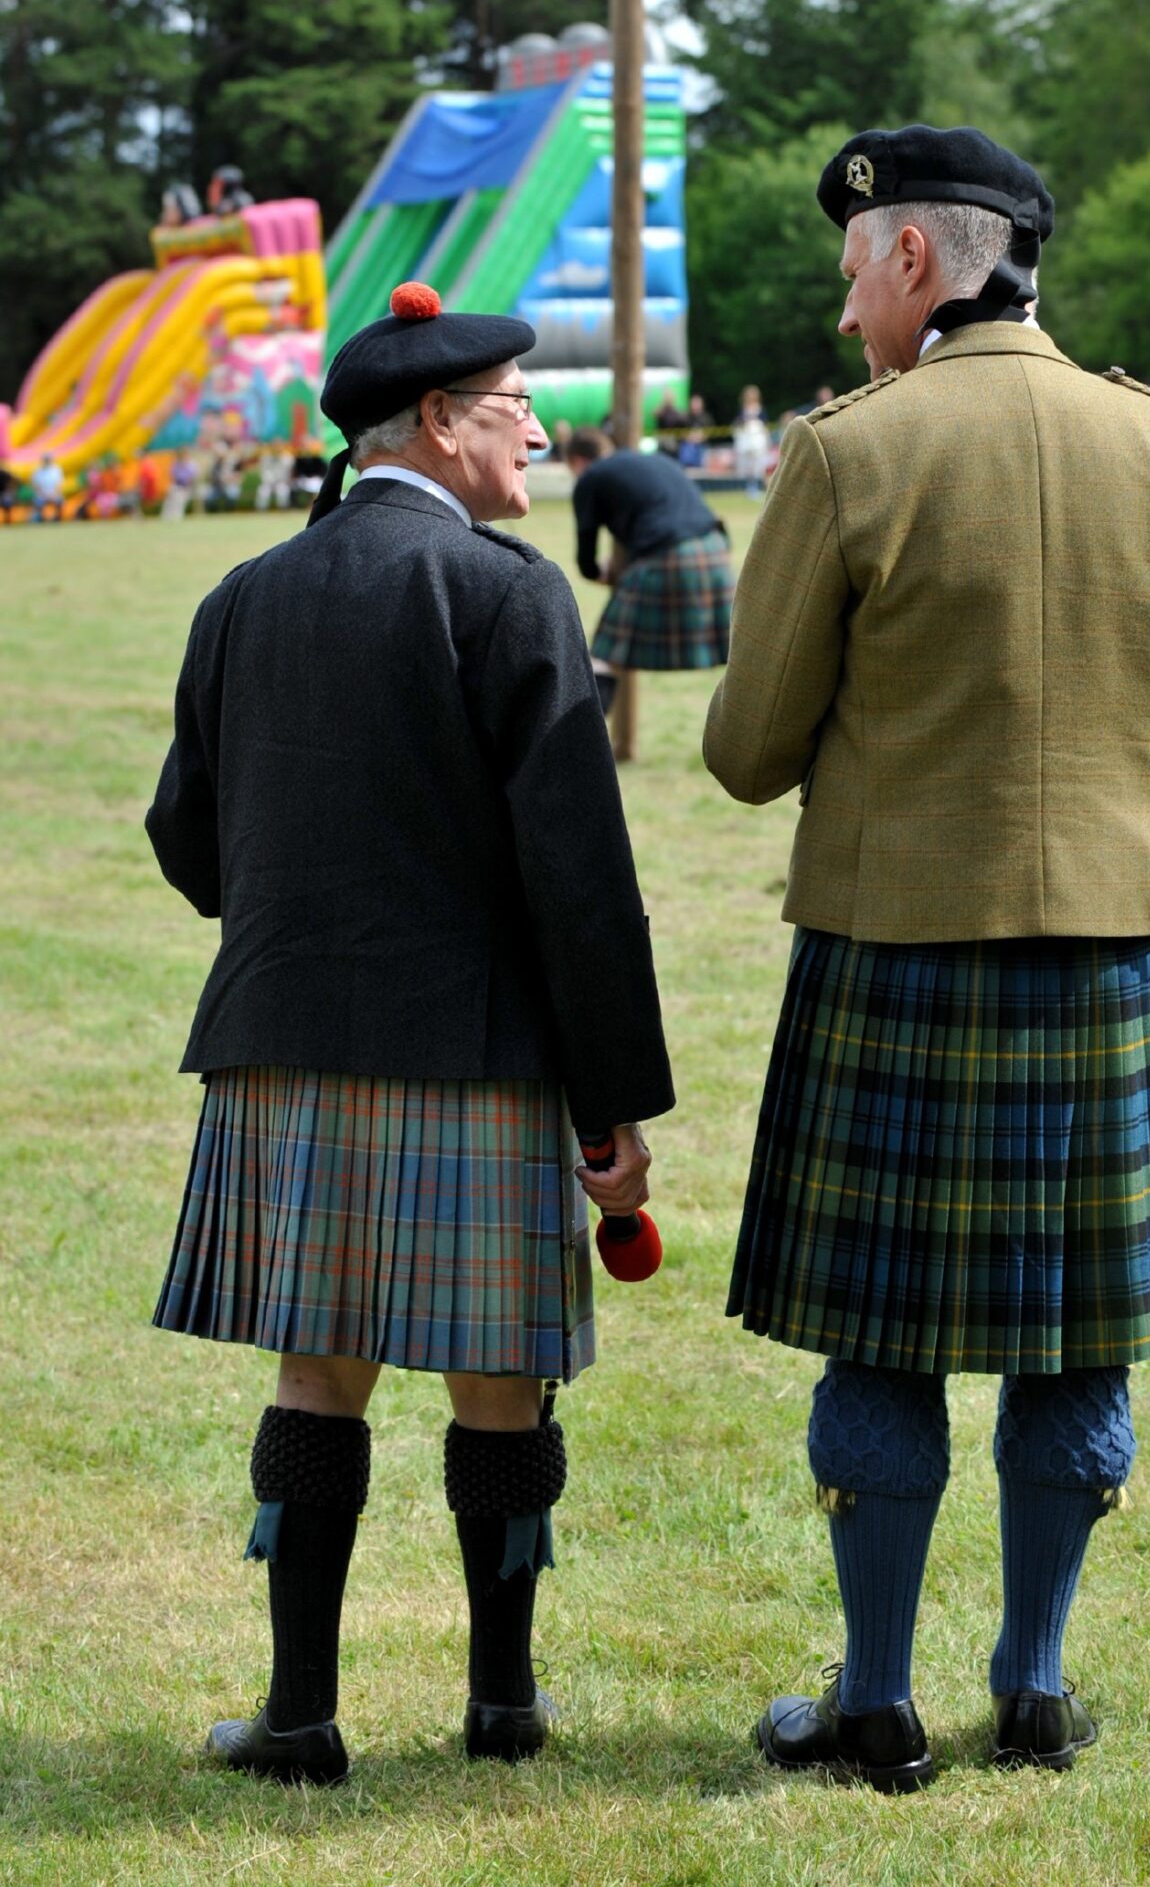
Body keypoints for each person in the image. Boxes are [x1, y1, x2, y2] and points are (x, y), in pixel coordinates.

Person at [703, 123, 1150, 1790]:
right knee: (1073, 1337)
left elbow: (746, 751)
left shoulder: (845, 454)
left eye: (845, 278)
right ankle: (1032, 1686)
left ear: (908, 260)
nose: (838, 319)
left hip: (895, 955)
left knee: (878, 1340)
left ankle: (874, 1702)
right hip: (1102, 965)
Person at [147, 281, 674, 1783]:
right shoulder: (509, 593)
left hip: (284, 1043)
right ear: (440, 426)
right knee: (500, 1387)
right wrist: (611, 1108)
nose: (538, 430)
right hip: (477, 1054)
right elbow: (580, 878)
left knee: (317, 1379)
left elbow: (187, 835)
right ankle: (503, 1710)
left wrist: (292, 925)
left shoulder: (241, 594)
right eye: (516, 407)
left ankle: (301, 1719)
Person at [566, 425, 736, 708]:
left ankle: (582, 744)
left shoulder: (590, 478)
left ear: (577, 461)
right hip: (715, 551)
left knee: (602, 656)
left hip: (668, 555)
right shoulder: (655, 461)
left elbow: (586, 557)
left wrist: (599, 574)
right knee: (738, 653)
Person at [30, 454, 65, 522]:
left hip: (54, 495)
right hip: (41, 496)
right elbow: (36, 486)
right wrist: (44, 495)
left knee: (60, 501)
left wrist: (54, 495)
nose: (47, 461)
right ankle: (40, 519)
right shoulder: (38, 471)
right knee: (38, 502)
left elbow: (59, 485)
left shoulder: (56, 470)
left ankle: (58, 519)